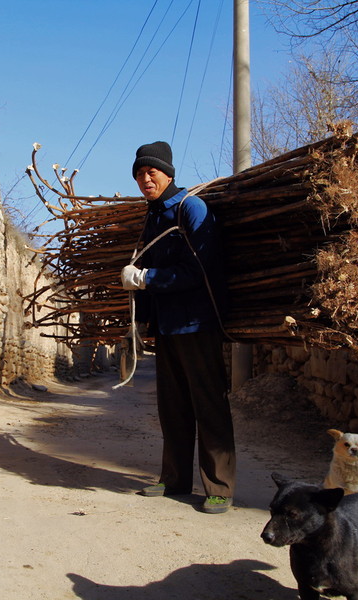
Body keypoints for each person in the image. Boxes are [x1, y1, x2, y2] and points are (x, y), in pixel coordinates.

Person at [120, 141, 236, 514]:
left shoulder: (191, 209)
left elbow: (200, 270)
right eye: (139, 173)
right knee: (173, 407)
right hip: (168, 326)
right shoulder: (153, 215)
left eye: (150, 171)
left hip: (197, 322)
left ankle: (219, 487)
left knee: (208, 405)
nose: (144, 178)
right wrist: (139, 323)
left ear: (168, 173)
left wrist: (146, 276)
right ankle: (174, 479)